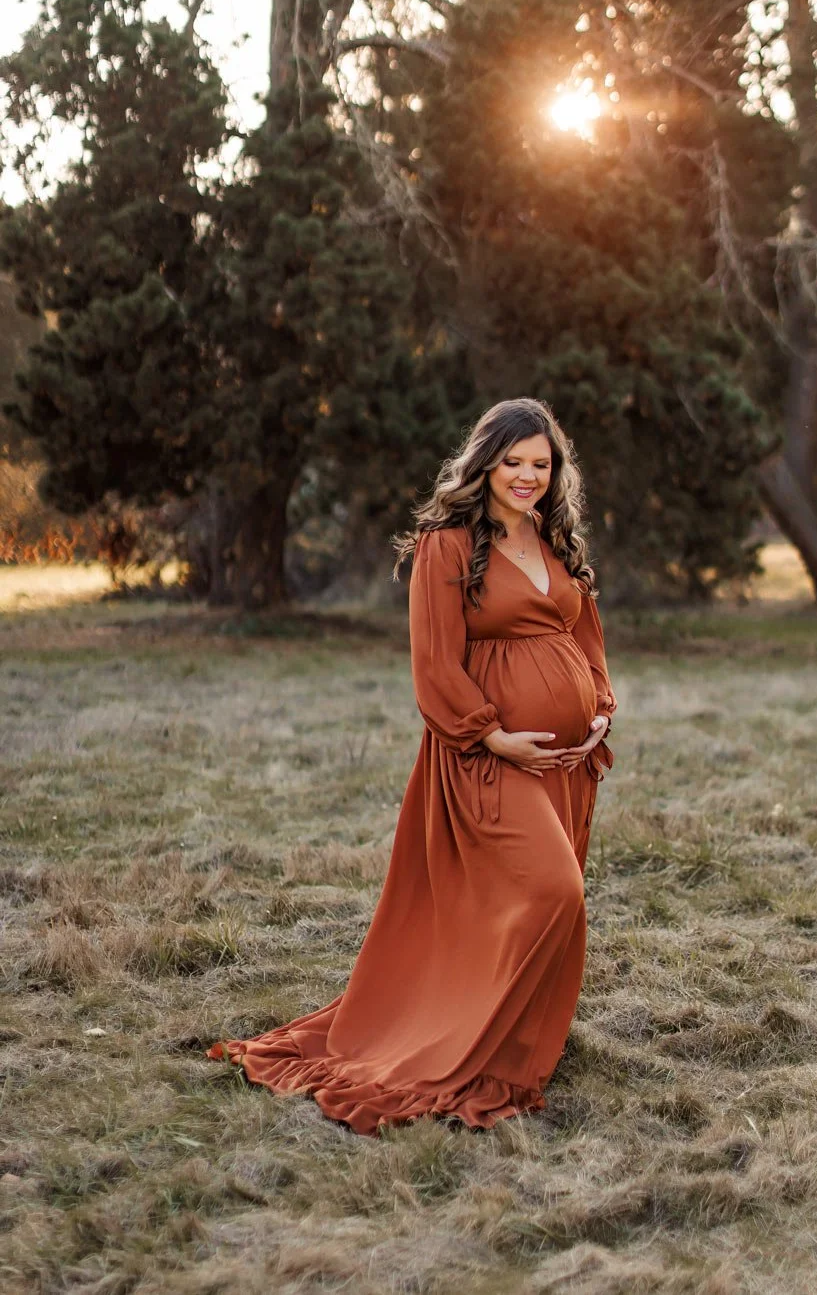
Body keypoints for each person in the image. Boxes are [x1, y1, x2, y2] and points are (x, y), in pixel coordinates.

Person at [206, 397, 617, 1134]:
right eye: (514, 462)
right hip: (486, 759)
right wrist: (493, 736)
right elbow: (434, 662)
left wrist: (600, 710)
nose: (527, 476)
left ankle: (506, 1042)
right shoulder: (449, 543)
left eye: (541, 464)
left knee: (521, 907)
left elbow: (585, 632)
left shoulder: (556, 540)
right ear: (485, 461)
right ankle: (449, 1046)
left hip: (564, 765)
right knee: (554, 891)